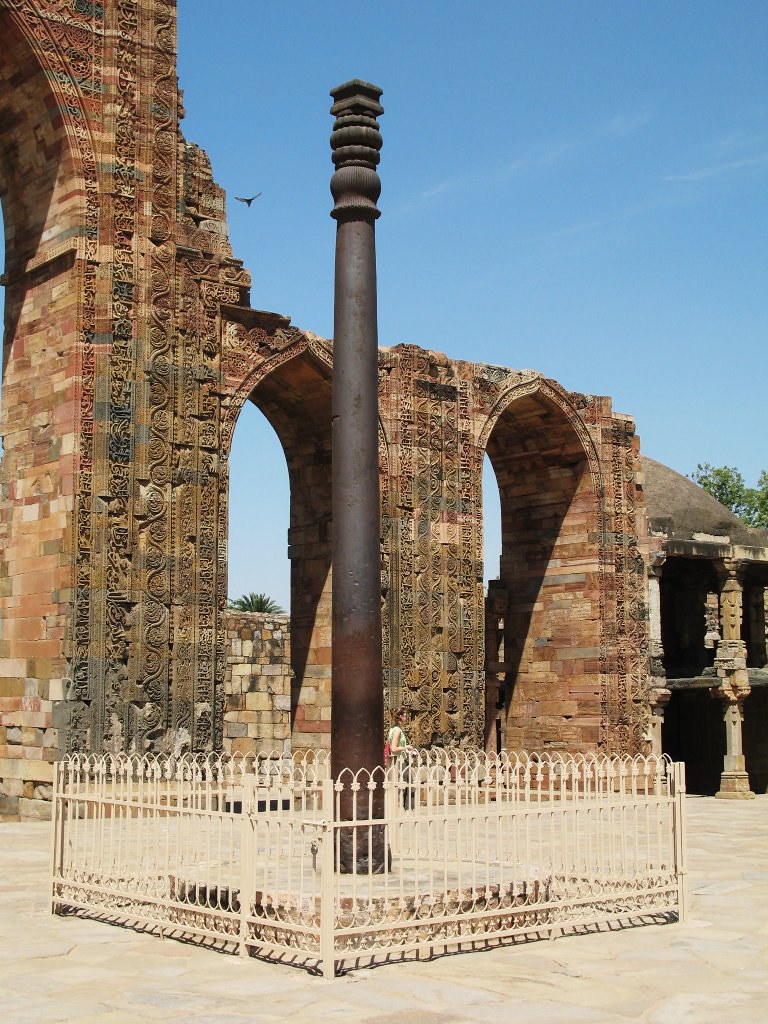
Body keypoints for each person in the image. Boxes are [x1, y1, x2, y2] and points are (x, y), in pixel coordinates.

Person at [387, 707, 416, 810]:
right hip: (400, 761)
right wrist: (406, 748)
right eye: (405, 715)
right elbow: (393, 748)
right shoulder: (397, 731)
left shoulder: (393, 728)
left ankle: (407, 808)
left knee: (406, 784)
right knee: (408, 785)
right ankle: (408, 809)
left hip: (399, 760)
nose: (407, 717)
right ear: (400, 717)